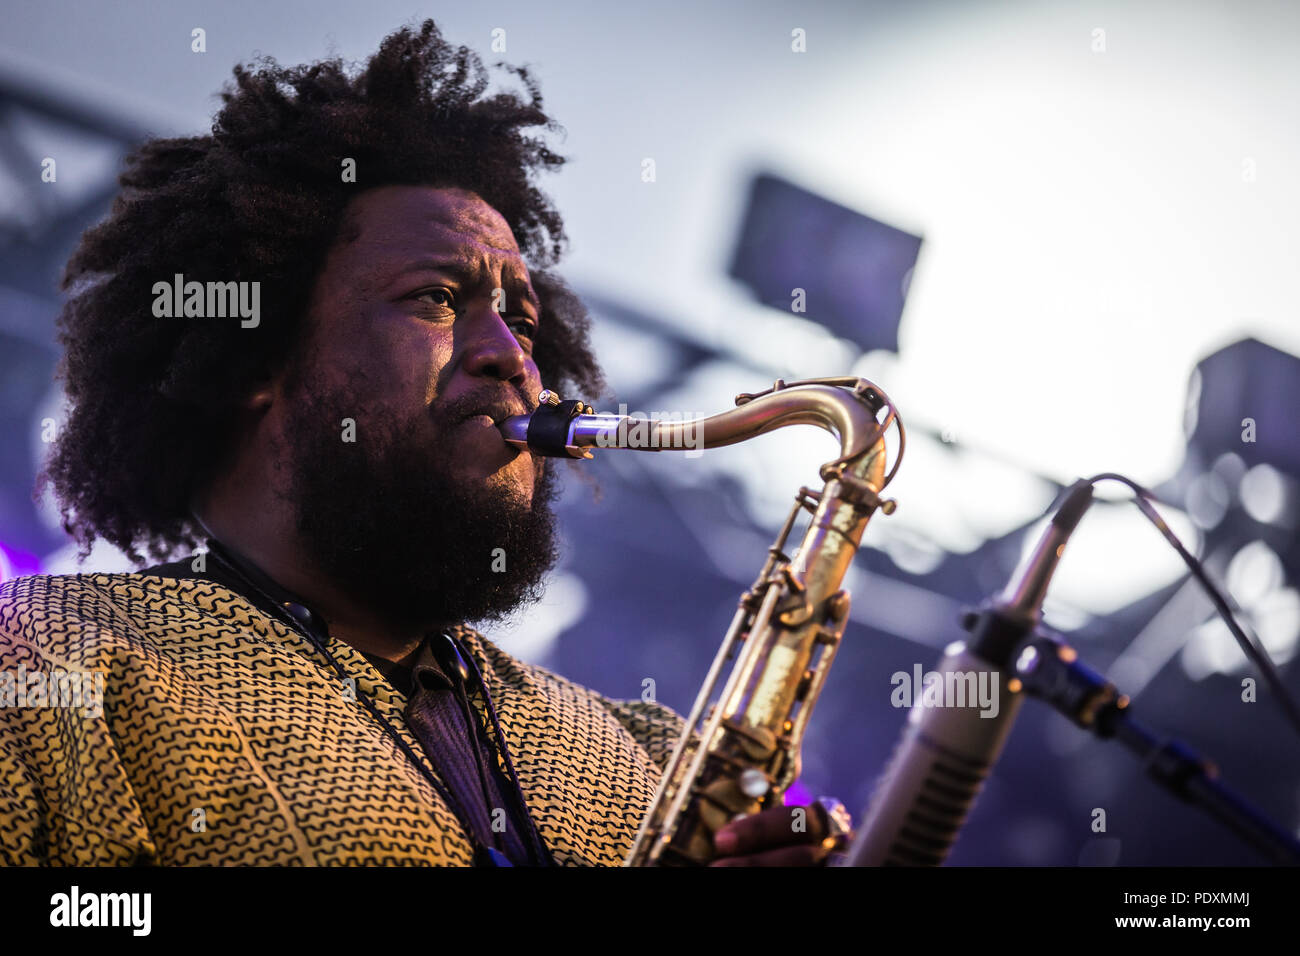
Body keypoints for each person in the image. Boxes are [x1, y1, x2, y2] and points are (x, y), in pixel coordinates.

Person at [0, 19, 848, 866]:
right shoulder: (45, 663)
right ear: (251, 355)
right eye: (436, 298)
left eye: (523, 320)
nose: (515, 358)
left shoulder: (652, 758)